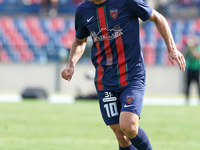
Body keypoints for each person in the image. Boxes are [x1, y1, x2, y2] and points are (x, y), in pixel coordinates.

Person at [61, 0, 186, 149]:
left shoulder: (127, 2)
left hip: (132, 75)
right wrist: (71, 64)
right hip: (105, 79)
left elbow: (158, 17)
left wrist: (172, 48)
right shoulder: (82, 10)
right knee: (121, 135)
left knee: (129, 126)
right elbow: (80, 41)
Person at [184, 36, 200, 105]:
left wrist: (192, 48)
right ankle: (187, 99)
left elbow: (197, 56)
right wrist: (188, 48)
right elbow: (184, 54)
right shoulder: (188, 49)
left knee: (198, 85)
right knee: (187, 85)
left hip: (196, 69)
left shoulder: (197, 48)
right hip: (189, 69)